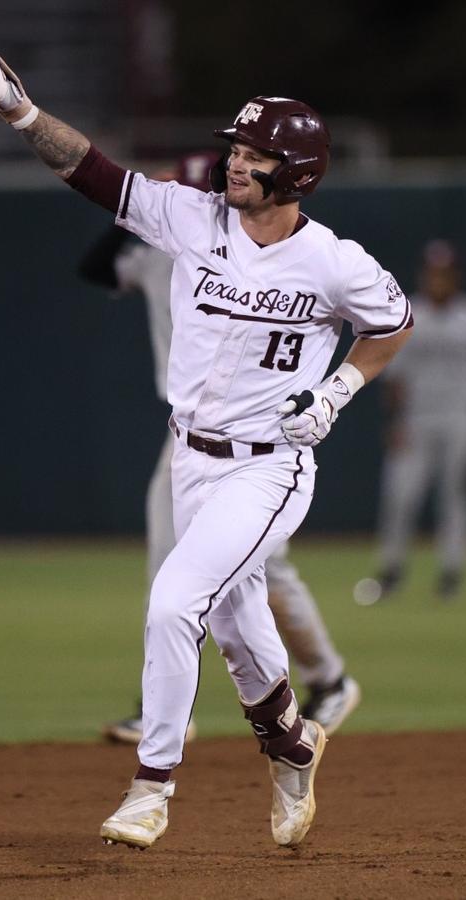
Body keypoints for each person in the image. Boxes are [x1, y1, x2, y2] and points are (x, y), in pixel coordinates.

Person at [0, 28, 412, 851]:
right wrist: (21, 111)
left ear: (296, 174)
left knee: (173, 602)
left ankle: (151, 786)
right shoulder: (192, 219)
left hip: (268, 470)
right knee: (239, 632)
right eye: (234, 147)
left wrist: (338, 390)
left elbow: (393, 325)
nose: (234, 161)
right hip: (189, 460)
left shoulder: (333, 262)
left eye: (253, 152)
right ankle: (294, 747)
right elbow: (93, 173)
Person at [76, 153, 362, 745]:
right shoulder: (168, 245)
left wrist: (336, 389)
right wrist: (134, 208)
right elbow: (97, 267)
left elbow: (385, 321)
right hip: (186, 436)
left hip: (260, 443)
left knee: (259, 574)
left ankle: (328, 678)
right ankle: (161, 705)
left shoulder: (292, 258)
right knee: (174, 568)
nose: (221, 179)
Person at [358, 239, 466, 604]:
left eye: (445, 273)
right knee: (401, 495)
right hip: (416, 420)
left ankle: (451, 573)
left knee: (456, 497)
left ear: (456, 276)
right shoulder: (411, 314)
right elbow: (394, 378)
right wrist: (394, 422)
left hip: (461, 419)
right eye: (433, 272)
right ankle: (391, 570)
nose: (438, 279)